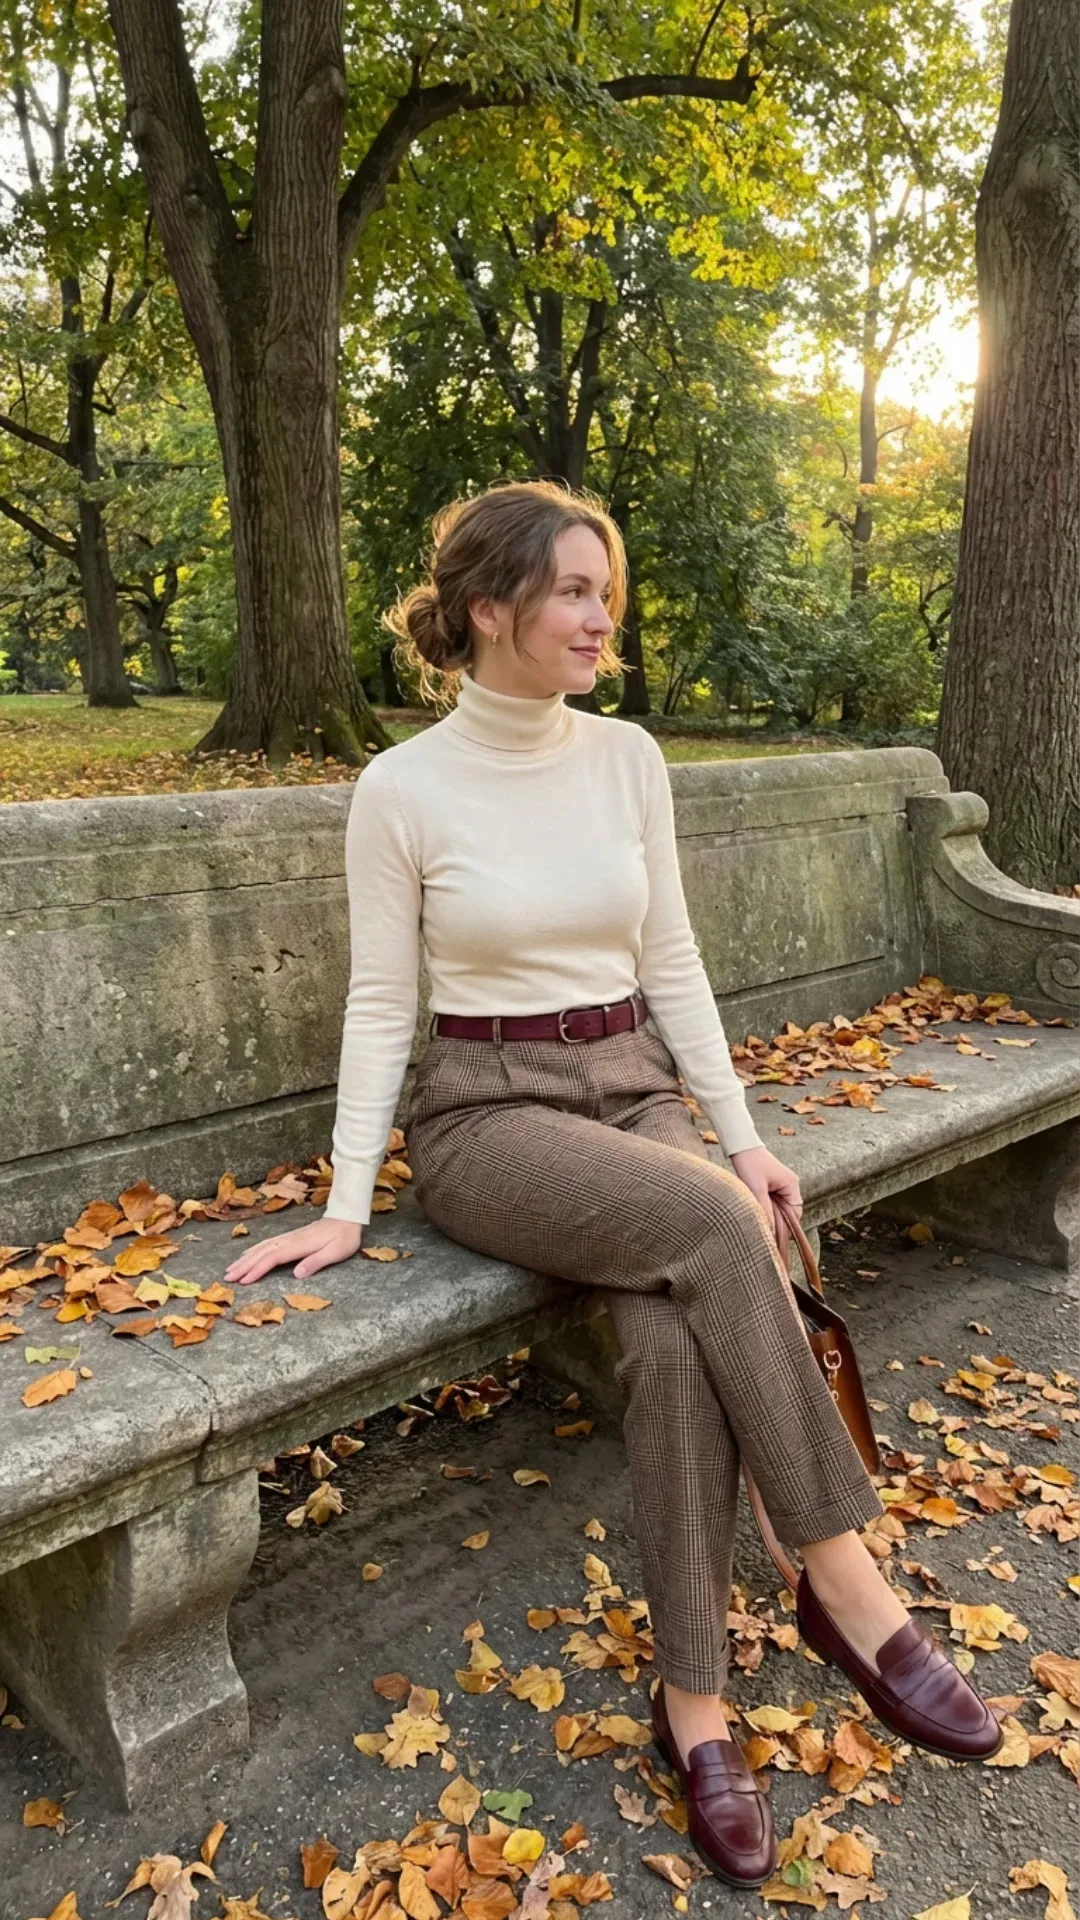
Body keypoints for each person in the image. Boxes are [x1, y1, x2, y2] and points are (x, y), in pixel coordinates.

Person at [225, 479, 1003, 1887]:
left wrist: (742, 1126)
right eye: (574, 592)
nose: (602, 617)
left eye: (605, 590)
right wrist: (348, 1200)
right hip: (489, 1120)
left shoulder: (627, 758)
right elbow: (382, 1006)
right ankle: (848, 1586)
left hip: (631, 1086)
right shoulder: (400, 789)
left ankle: (693, 1709)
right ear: (488, 611)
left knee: (671, 1328)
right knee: (713, 1223)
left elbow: (675, 962)